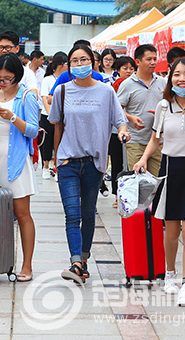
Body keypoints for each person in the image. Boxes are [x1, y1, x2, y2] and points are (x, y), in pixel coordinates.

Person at [133, 58, 185, 307]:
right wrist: (144, 159)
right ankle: (169, 273)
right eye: (176, 74)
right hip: (169, 169)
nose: (181, 79)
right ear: (170, 79)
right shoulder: (163, 106)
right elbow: (155, 140)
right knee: (171, 231)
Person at [48, 44, 129, 283]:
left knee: (88, 213)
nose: (80, 64)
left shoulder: (106, 92)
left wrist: (124, 132)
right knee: (72, 214)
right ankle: (74, 262)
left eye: (84, 60)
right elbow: (57, 127)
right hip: (68, 162)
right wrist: (57, 159)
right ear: (69, 65)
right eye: (75, 61)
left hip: (94, 163)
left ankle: (83, 260)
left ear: (93, 63)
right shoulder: (62, 91)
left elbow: (119, 121)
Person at [0, 53, 39, 282]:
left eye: (7, 78)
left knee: (22, 214)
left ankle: (27, 265)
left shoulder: (26, 97)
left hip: (15, 159)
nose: (2, 82)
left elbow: (33, 130)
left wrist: (12, 117)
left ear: (17, 77)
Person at [117, 44, 167, 176]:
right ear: (138, 61)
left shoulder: (163, 83)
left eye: (155, 59)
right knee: (136, 181)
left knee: (157, 182)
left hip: (158, 141)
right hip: (135, 141)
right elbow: (117, 110)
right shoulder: (127, 84)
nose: (153, 63)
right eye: (149, 59)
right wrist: (131, 118)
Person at [108, 56, 137, 206]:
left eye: (131, 68)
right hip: (116, 131)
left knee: (126, 165)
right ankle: (116, 195)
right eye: (125, 68)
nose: (128, 71)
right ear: (118, 70)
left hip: (132, 133)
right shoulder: (116, 86)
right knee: (118, 163)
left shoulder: (134, 84)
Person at [0, 31, 38, 96]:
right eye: (1, 47)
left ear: (17, 48)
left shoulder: (27, 73)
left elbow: (34, 95)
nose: (4, 50)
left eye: (7, 47)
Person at [40, 52, 68, 179]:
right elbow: (45, 98)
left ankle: (57, 167)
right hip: (47, 115)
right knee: (47, 142)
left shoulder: (68, 79)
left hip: (63, 117)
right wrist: (51, 114)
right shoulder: (48, 79)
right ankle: (45, 167)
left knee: (60, 143)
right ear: (60, 65)